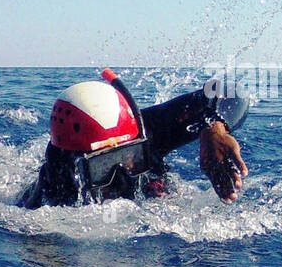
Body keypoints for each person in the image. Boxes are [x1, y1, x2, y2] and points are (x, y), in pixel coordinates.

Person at [16, 68, 249, 209]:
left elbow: (232, 91)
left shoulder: (144, 133)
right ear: (77, 167)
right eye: (103, 166)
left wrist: (214, 127)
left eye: (130, 156)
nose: (123, 173)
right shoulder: (56, 188)